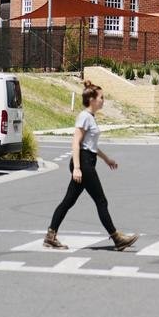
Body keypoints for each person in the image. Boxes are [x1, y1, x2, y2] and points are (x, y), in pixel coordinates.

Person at [45, 81, 137, 250]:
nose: (103, 100)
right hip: (84, 163)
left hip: (87, 160)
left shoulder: (90, 117)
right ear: (92, 100)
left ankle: (50, 236)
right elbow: (76, 143)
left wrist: (106, 159)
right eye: (101, 97)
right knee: (101, 201)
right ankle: (117, 238)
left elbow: (91, 145)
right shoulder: (84, 117)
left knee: (68, 201)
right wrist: (77, 168)